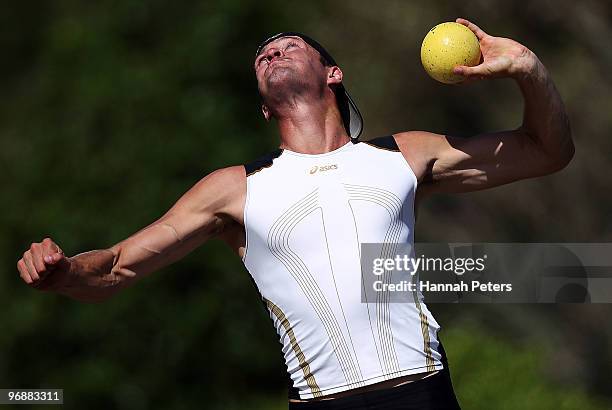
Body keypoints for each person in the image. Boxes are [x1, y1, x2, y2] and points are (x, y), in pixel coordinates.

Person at [17, 18, 573, 409]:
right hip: (319, 402)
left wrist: (526, 68)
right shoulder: (233, 189)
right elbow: (115, 267)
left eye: (288, 45)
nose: (270, 52)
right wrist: (66, 273)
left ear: (334, 74)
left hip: (418, 391)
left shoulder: (402, 154)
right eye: (262, 55)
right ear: (263, 106)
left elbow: (547, 151)